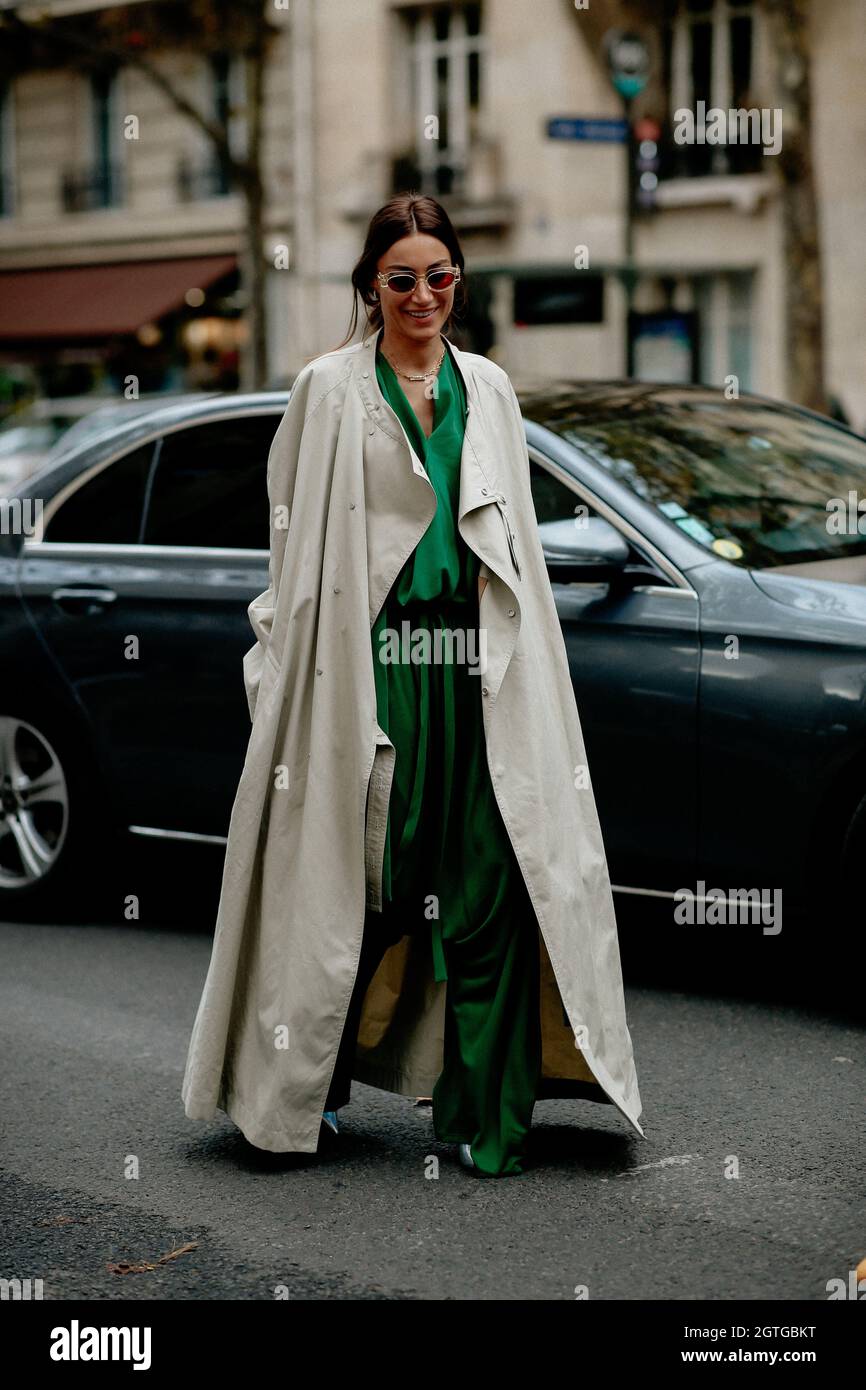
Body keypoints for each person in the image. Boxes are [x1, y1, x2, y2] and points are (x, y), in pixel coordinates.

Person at [181, 193, 644, 1175]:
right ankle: (296, 1095)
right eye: (402, 278)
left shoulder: (490, 389)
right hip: (370, 672)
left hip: (474, 675)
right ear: (369, 287)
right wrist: (282, 662)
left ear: (457, 285)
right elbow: (294, 544)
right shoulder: (326, 389)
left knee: (488, 888)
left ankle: (483, 1117)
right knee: (357, 883)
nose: (423, 294)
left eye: (439, 276)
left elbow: (512, 539)